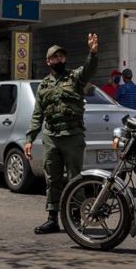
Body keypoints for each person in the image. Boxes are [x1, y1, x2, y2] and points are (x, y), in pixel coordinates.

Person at [24, 34, 99, 234]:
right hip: (51, 137)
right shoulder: (44, 86)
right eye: (55, 58)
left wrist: (92, 53)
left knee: (75, 179)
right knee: (52, 179)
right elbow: (37, 114)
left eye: (61, 57)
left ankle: (75, 217)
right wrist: (29, 139)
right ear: (48, 61)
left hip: (72, 136)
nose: (59, 60)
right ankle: (52, 218)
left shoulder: (74, 77)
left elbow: (89, 71)